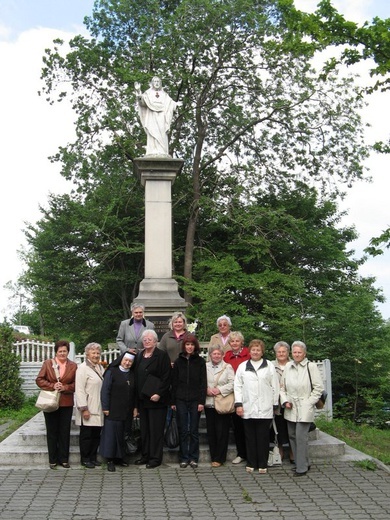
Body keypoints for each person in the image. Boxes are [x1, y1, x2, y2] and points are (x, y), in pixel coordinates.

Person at [234, 339, 279, 474]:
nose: (255, 352)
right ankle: (251, 462)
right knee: (249, 437)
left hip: (265, 407)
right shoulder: (242, 366)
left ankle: (262, 463)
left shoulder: (269, 366)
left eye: (258, 350)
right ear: (249, 351)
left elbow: (275, 386)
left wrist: (275, 403)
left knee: (263, 437)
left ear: (262, 351)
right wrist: (239, 404)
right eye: (253, 349)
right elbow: (238, 386)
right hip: (248, 407)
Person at [280, 341, 324, 477]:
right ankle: (302, 462)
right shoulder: (288, 366)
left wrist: (309, 403)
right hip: (291, 406)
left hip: (305, 406)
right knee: (292, 436)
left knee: (300, 436)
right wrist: (285, 400)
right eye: (294, 352)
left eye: (299, 352)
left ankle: (301, 467)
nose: (297, 354)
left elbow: (318, 388)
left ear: (304, 353)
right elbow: (282, 387)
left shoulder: (311, 367)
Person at [35, 340, 77, 469]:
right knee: (52, 431)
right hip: (50, 402)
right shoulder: (48, 364)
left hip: (66, 402)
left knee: (64, 432)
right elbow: (39, 380)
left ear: (68, 352)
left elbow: (77, 384)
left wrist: (65, 387)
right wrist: (52, 385)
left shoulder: (74, 366)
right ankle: (52, 460)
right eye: (60, 351)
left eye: (65, 351)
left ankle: (64, 459)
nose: (62, 353)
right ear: (56, 352)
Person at [134, 330, 171, 468]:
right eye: (145, 339)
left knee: (155, 430)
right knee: (145, 430)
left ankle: (155, 458)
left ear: (155, 341)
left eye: (150, 339)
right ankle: (145, 455)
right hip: (143, 400)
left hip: (156, 400)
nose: (147, 341)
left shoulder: (161, 356)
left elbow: (166, 377)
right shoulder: (139, 356)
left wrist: (159, 393)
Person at [171, 334, 207, 469]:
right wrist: (173, 401)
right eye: (187, 344)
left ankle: (193, 457)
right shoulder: (178, 361)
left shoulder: (200, 362)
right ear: (184, 346)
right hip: (180, 399)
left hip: (195, 400)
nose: (189, 347)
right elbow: (174, 382)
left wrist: (201, 401)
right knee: (183, 429)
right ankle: (184, 457)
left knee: (193, 430)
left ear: (195, 346)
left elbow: (203, 383)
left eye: (192, 344)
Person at [99, 352, 136, 472]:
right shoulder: (111, 372)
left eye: (130, 361)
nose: (127, 363)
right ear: (121, 360)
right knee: (111, 435)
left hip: (127, 410)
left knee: (122, 435)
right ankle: (110, 460)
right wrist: (105, 407)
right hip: (113, 409)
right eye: (125, 360)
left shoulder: (132, 374)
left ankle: (120, 458)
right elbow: (105, 390)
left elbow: (135, 393)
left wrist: (135, 408)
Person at [75, 342, 105, 469]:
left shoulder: (99, 367)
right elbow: (80, 389)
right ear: (87, 354)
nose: (96, 355)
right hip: (88, 407)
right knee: (86, 435)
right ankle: (85, 459)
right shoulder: (82, 368)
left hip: (98, 407)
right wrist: (84, 409)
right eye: (93, 353)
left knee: (96, 435)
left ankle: (93, 457)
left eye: (98, 353)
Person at [204, 344, 235, 467]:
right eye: (214, 353)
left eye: (218, 354)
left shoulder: (228, 367)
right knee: (211, 432)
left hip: (222, 403)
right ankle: (213, 456)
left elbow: (233, 383)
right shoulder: (205, 366)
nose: (216, 356)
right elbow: (200, 381)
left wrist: (220, 390)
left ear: (222, 355)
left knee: (222, 432)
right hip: (209, 403)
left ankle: (220, 458)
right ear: (210, 355)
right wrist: (205, 389)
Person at [223, 331, 251, 465]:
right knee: (238, 426)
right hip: (232, 394)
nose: (234, 343)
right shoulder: (226, 356)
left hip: (247, 393)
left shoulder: (248, 355)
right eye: (232, 341)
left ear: (241, 342)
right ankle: (242, 453)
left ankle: (251, 453)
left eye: (237, 341)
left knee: (248, 425)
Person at [135, 76, 177, 157]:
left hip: (162, 117)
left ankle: (162, 151)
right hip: (152, 116)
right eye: (155, 81)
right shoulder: (148, 93)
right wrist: (138, 91)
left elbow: (170, 103)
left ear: (160, 83)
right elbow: (142, 103)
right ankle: (152, 150)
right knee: (152, 133)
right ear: (152, 83)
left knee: (162, 133)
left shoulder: (164, 94)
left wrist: (176, 105)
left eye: (158, 81)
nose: (157, 83)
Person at [271, 341, 293, 463]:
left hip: (291, 401)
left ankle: (292, 451)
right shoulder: (270, 365)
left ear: (288, 352)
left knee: (291, 426)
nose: (281, 354)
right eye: (279, 351)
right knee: (278, 427)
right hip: (277, 402)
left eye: (283, 351)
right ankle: (279, 450)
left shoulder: (293, 364)